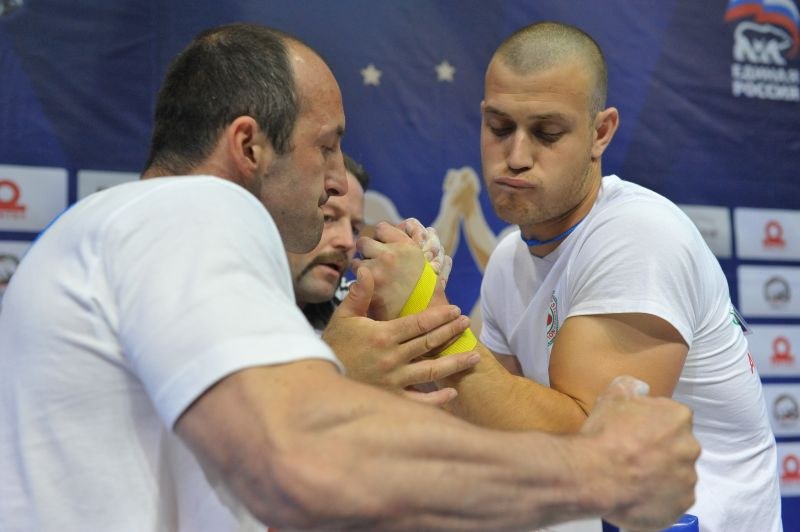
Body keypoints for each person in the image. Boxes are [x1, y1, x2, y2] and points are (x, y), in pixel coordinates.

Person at [0, 22, 700, 531]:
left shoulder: (121, 224)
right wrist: (604, 470)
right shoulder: (191, 207)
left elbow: (253, 462)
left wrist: (329, 375)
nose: (339, 181)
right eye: (326, 147)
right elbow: (306, 462)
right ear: (248, 145)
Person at [355, 21, 781, 532]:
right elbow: (491, 426)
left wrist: (427, 307)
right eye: (499, 127)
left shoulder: (638, 235)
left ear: (600, 132)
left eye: (546, 133)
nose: (515, 156)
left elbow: (589, 442)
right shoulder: (512, 257)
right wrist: (401, 320)